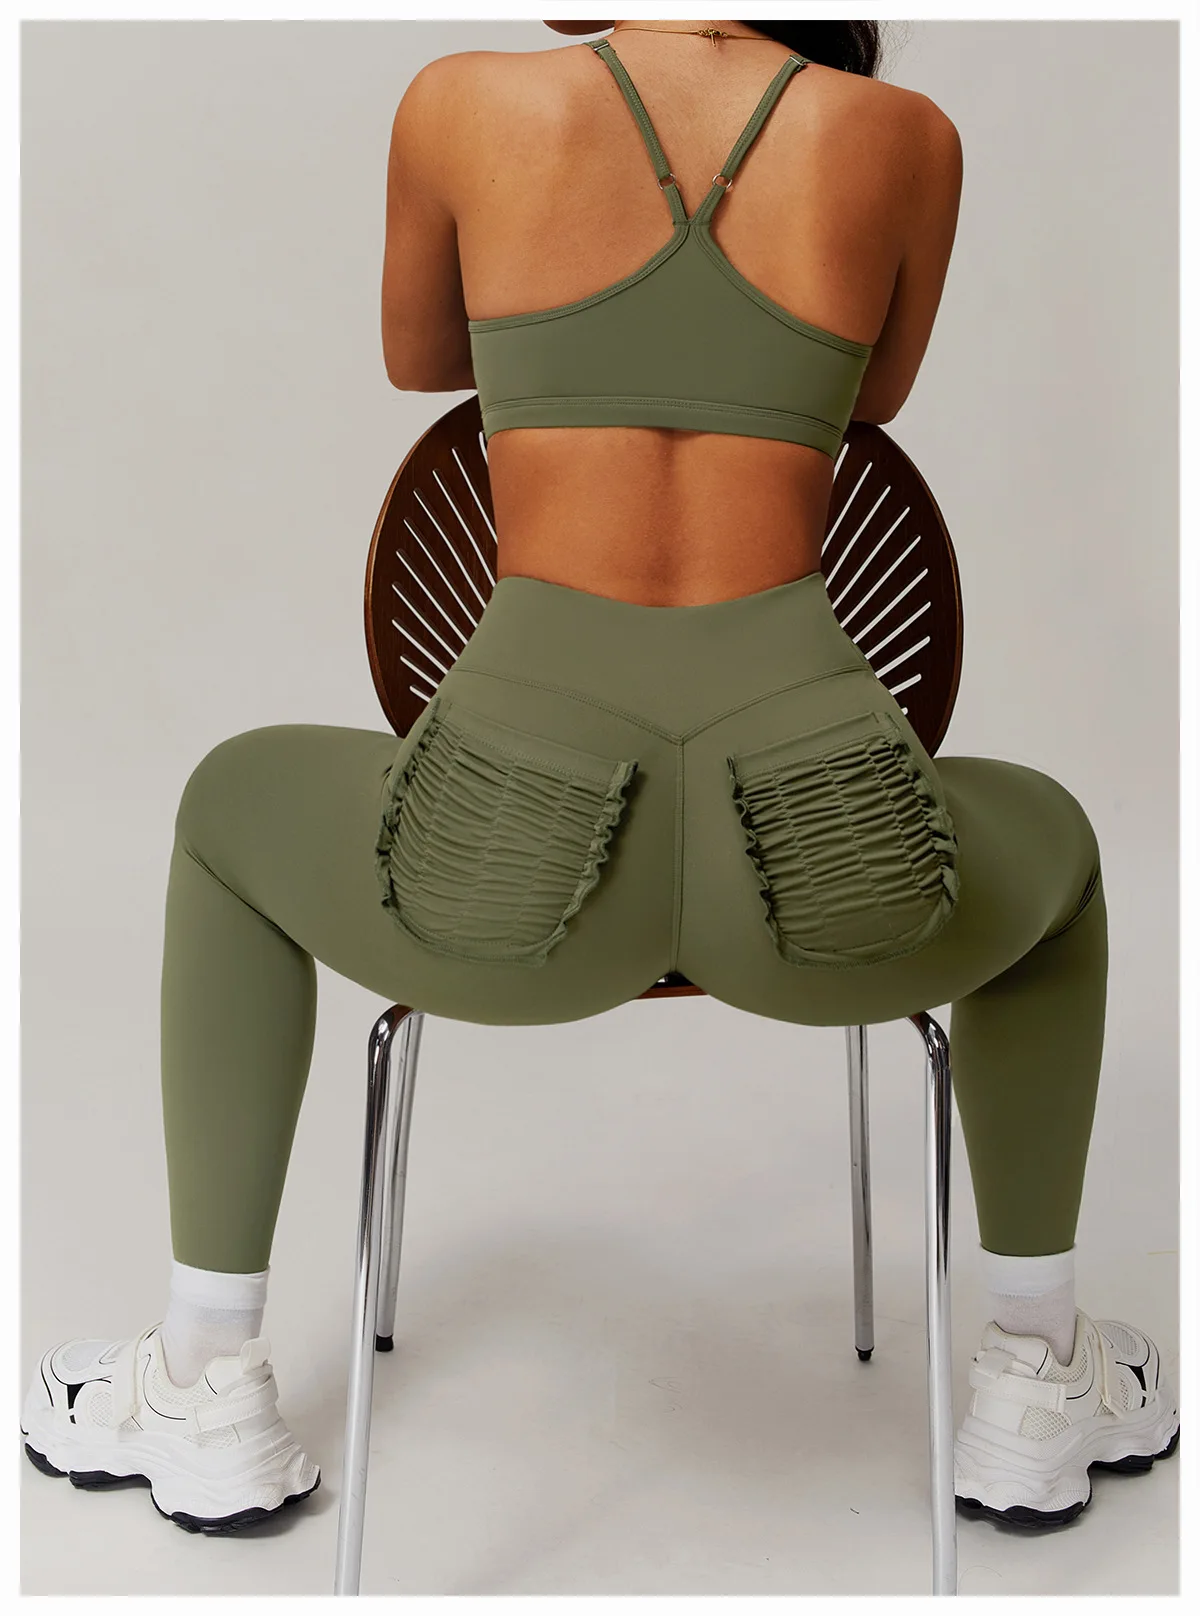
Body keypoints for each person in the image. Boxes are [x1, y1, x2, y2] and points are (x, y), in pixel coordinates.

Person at [24, 16, 1177, 1551]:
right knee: (1064, 849)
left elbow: (420, 356)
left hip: (513, 866)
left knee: (226, 804)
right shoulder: (905, 141)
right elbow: (872, 393)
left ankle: (201, 1378)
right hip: (822, 868)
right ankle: (1035, 1374)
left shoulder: (464, 107)